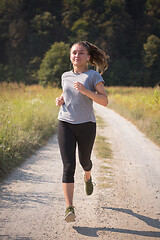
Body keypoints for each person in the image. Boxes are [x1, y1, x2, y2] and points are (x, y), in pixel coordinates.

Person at [56, 41, 108, 222]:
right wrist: (60, 100)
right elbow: (67, 93)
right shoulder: (65, 76)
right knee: (68, 166)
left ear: (88, 57)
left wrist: (86, 91)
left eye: (81, 53)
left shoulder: (94, 76)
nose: (77, 56)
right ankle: (69, 208)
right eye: (74, 53)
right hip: (65, 123)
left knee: (84, 161)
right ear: (70, 56)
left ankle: (88, 175)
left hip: (86, 125)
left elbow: (104, 101)